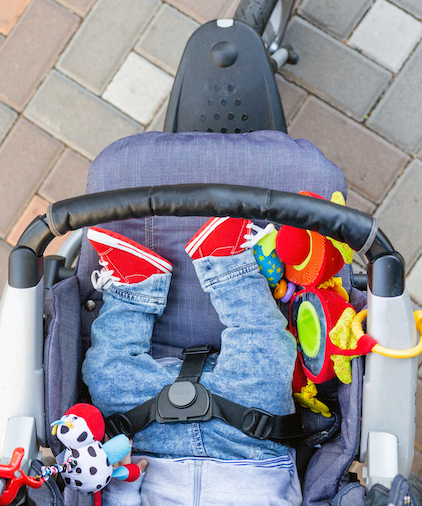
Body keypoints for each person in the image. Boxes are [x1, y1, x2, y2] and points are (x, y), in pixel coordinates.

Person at [81, 217, 302, 506]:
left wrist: (123, 481)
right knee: (265, 350)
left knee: (107, 375)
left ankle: (134, 290)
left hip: (146, 437)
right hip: (249, 438)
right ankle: (227, 264)